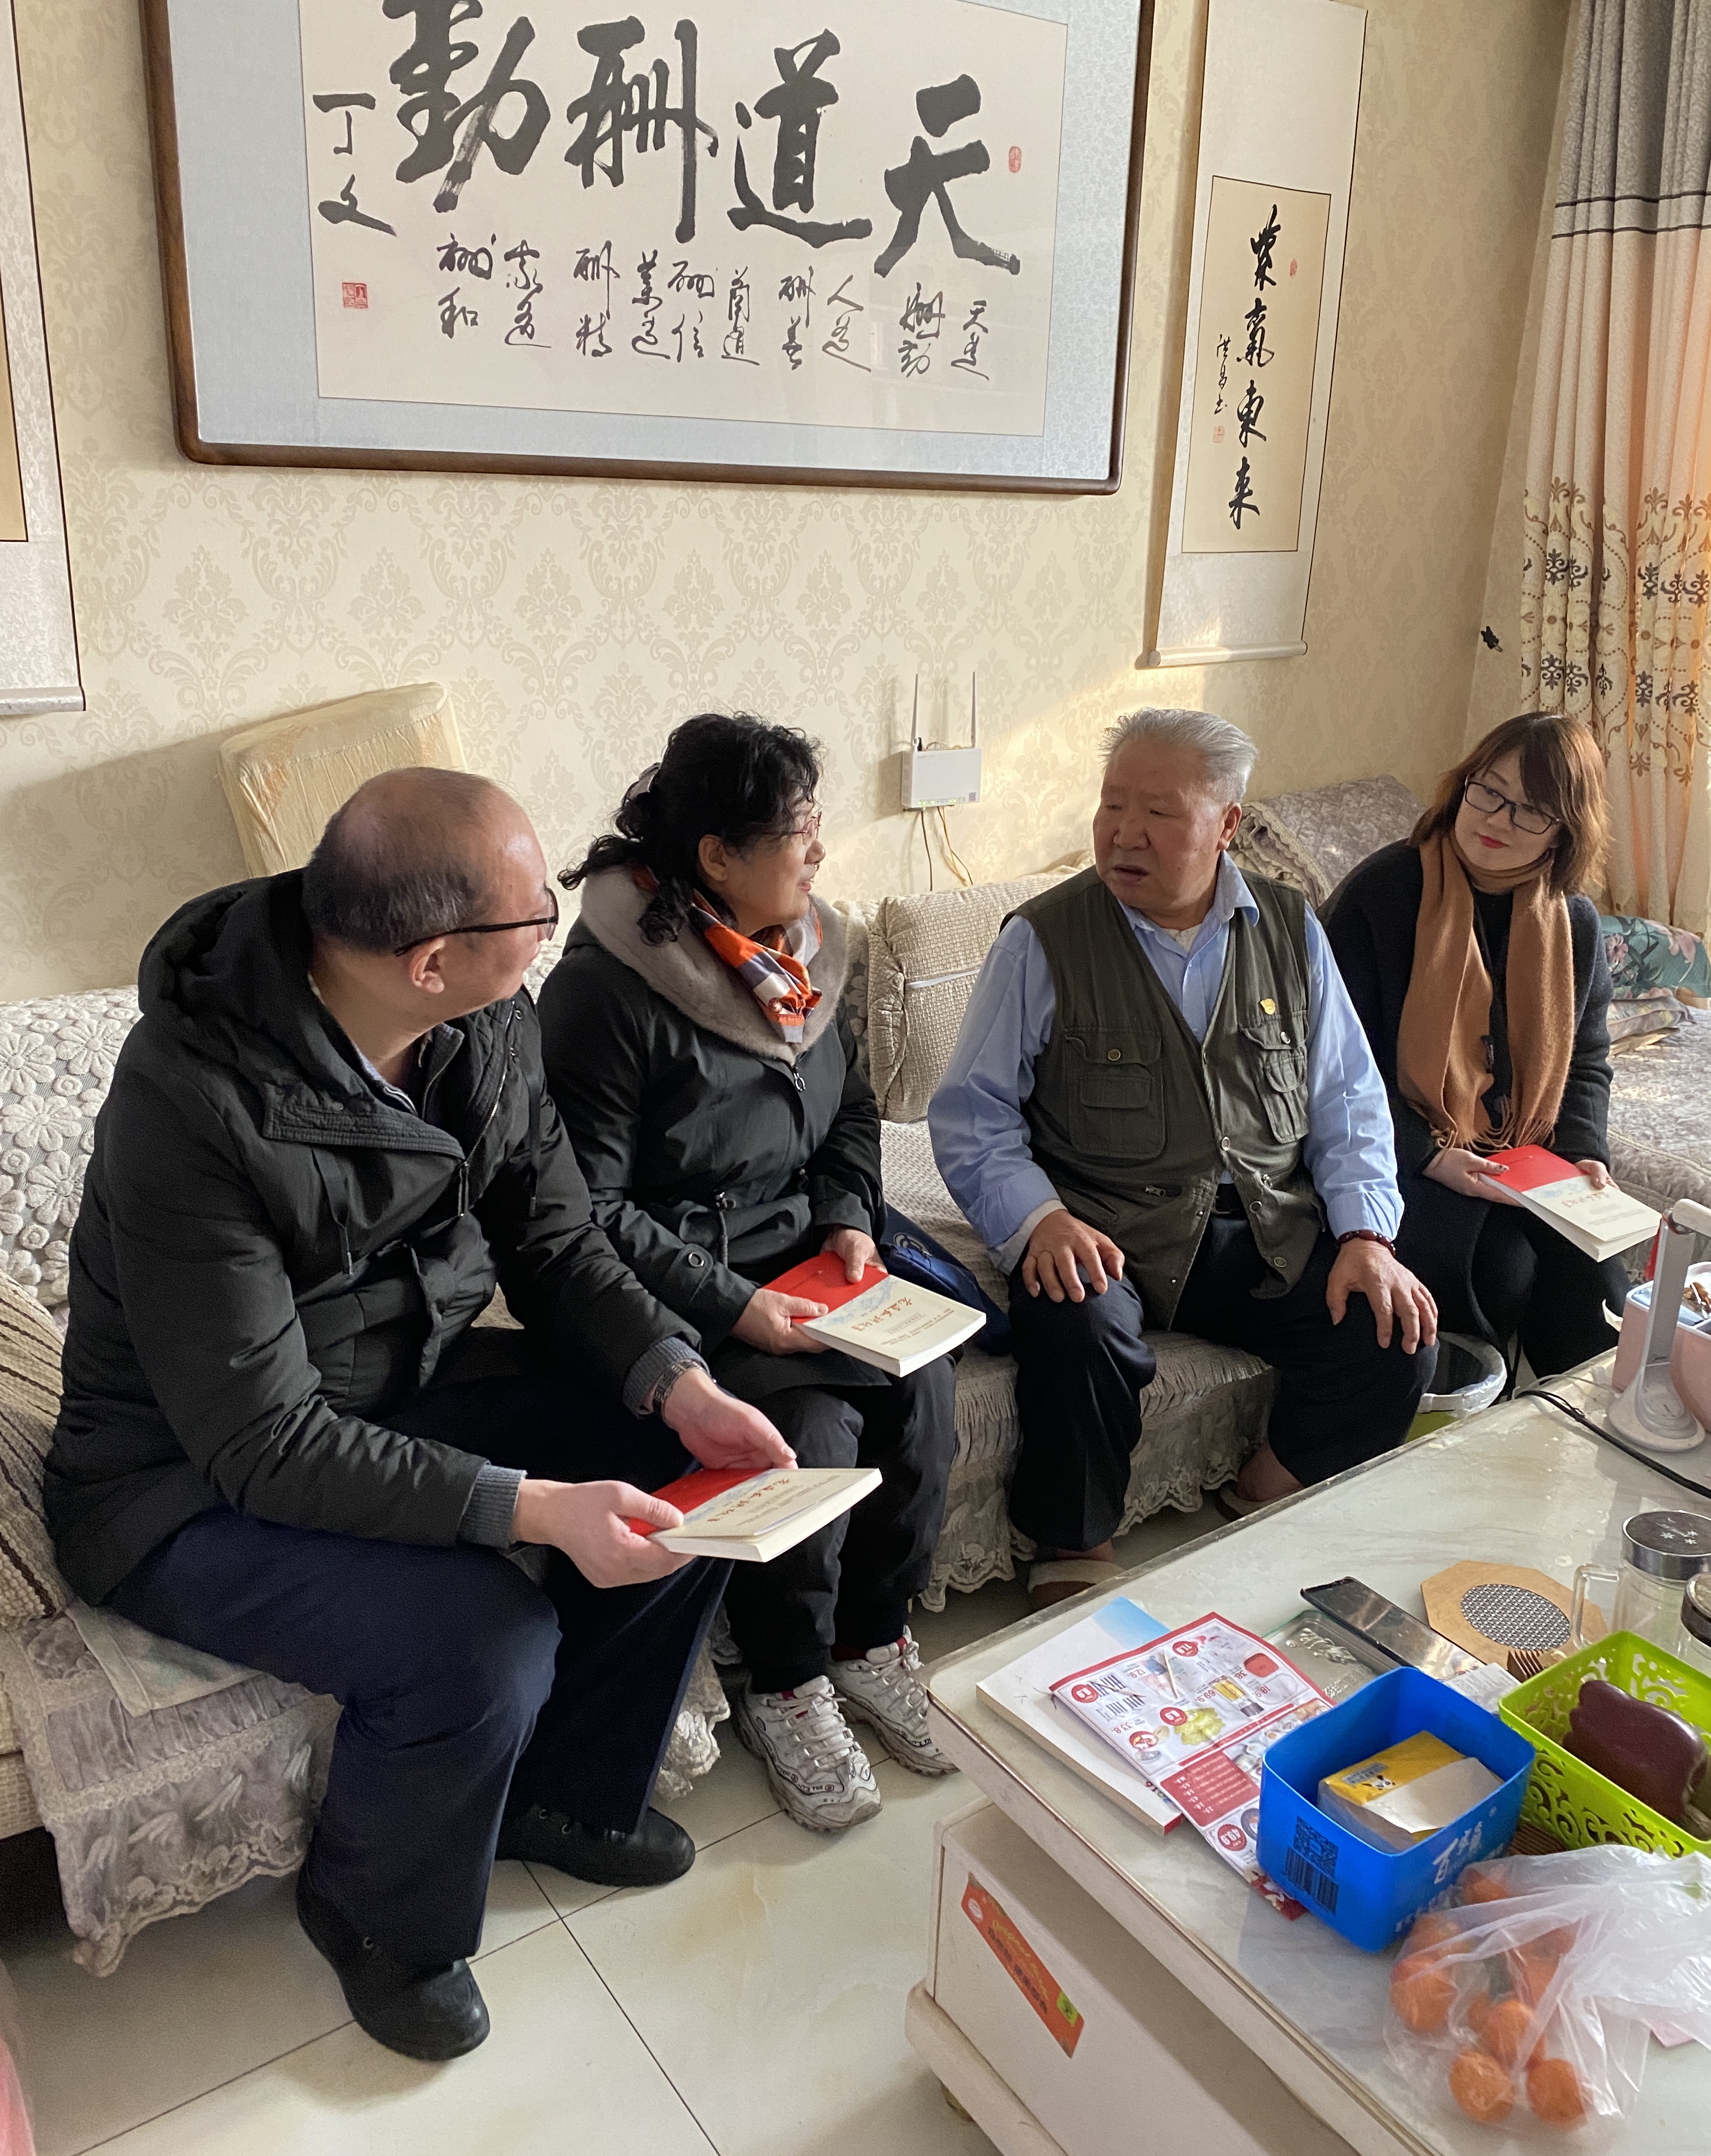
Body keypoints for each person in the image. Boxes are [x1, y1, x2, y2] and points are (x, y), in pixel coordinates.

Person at [45, 768, 794, 2063]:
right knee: (479, 1640)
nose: (556, 931)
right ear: (432, 957)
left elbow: (554, 1238)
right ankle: (376, 1918)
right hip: (179, 1479)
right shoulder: (191, 1098)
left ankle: (559, 1794)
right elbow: (262, 1439)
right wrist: (533, 1509)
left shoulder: (482, 1022)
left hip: (398, 1386)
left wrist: (677, 1380)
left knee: (683, 1462)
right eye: (536, 917)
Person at [540, 715, 957, 1834]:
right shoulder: (607, 993)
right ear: (716, 856)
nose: (818, 853)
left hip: (808, 1262)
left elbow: (853, 1111)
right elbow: (589, 1211)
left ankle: (870, 1642)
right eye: (795, 835)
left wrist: (848, 1218)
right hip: (679, 1291)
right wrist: (740, 1307)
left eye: (817, 826)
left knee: (926, 1392)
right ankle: (787, 1684)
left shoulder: (803, 952)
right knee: (809, 1434)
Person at [928, 708, 1438, 1608]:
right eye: (1112, 805)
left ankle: (1263, 1492)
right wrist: (1039, 1220)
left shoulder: (1290, 928)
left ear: (1227, 824)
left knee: (1393, 1328)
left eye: (1159, 812)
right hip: (1104, 1227)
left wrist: (1366, 1234)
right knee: (1076, 1327)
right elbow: (972, 1114)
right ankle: (1073, 1547)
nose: (1125, 833)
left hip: (1265, 1227)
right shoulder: (1043, 939)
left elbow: (1347, 1098)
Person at [1322, 713, 1624, 1376]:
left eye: (1531, 811)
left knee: (1600, 1284)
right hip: (1395, 1151)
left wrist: (1582, 1152)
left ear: (1564, 831)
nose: (1497, 819)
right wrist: (1429, 1155)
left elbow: (1587, 1059)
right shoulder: (1386, 893)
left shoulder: (1573, 922)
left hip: (1520, 1152)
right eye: (1489, 790)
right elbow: (1334, 1065)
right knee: (1502, 1271)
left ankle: (1567, 1430)